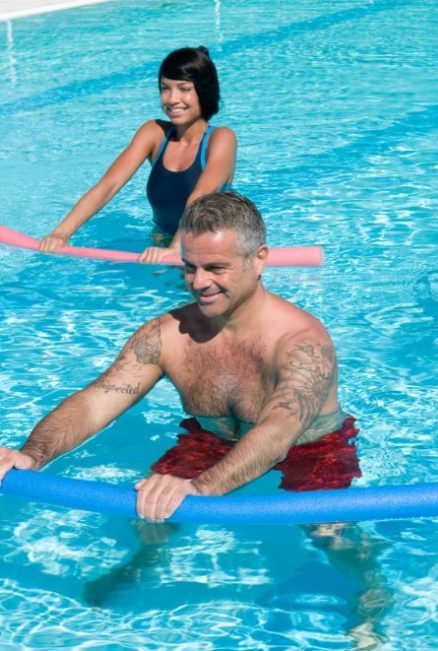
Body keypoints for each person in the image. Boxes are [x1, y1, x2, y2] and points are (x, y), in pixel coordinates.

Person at [0, 191, 359, 520]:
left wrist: (199, 489)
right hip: (210, 439)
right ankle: (137, 576)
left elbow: (277, 434)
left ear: (259, 259)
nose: (198, 282)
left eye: (216, 268)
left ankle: (370, 589)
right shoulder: (167, 335)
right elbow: (98, 401)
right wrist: (33, 454)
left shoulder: (302, 343)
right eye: (190, 267)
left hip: (311, 447)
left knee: (332, 536)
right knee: (150, 513)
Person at [39, 46, 236, 263]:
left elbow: (201, 194)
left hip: (213, 254)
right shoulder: (154, 134)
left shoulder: (221, 138)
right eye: (165, 88)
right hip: (163, 244)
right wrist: (61, 233)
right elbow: (108, 185)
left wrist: (176, 247)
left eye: (183, 89)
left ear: (204, 91)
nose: (172, 99)